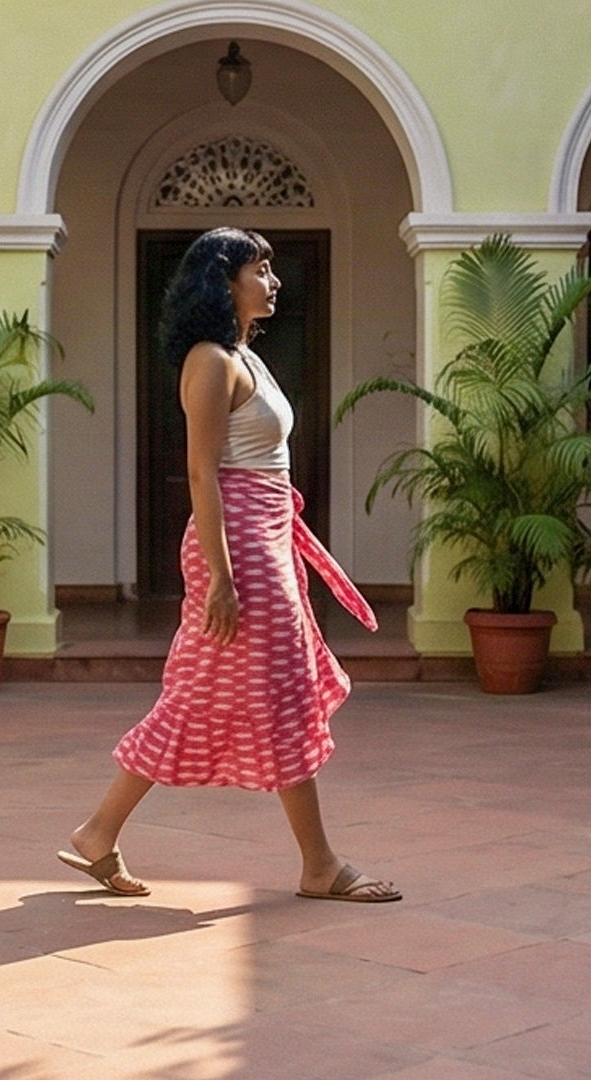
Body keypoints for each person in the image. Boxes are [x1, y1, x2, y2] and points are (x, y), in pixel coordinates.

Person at [58, 227, 401, 904]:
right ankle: (320, 865)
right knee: (276, 693)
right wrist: (221, 574)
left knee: (210, 694)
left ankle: (98, 834)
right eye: (260, 270)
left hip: (265, 535)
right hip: (240, 545)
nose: (273, 281)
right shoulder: (211, 360)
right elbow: (200, 470)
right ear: (224, 282)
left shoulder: (244, 353)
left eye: (272, 269)